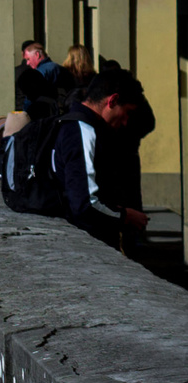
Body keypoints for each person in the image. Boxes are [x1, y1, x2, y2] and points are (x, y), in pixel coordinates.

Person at [48, 68, 149, 248]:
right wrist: (125, 216)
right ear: (113, 100)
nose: (125, 121)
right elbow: (84, 204)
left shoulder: (78, 126)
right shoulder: (82, 132)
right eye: (127, 113)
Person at [16, 41, 61, 117]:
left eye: (28, 59)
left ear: (37, 55)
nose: (27, 63)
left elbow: (33, 93)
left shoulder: (42, 72)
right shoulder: (53, 67)